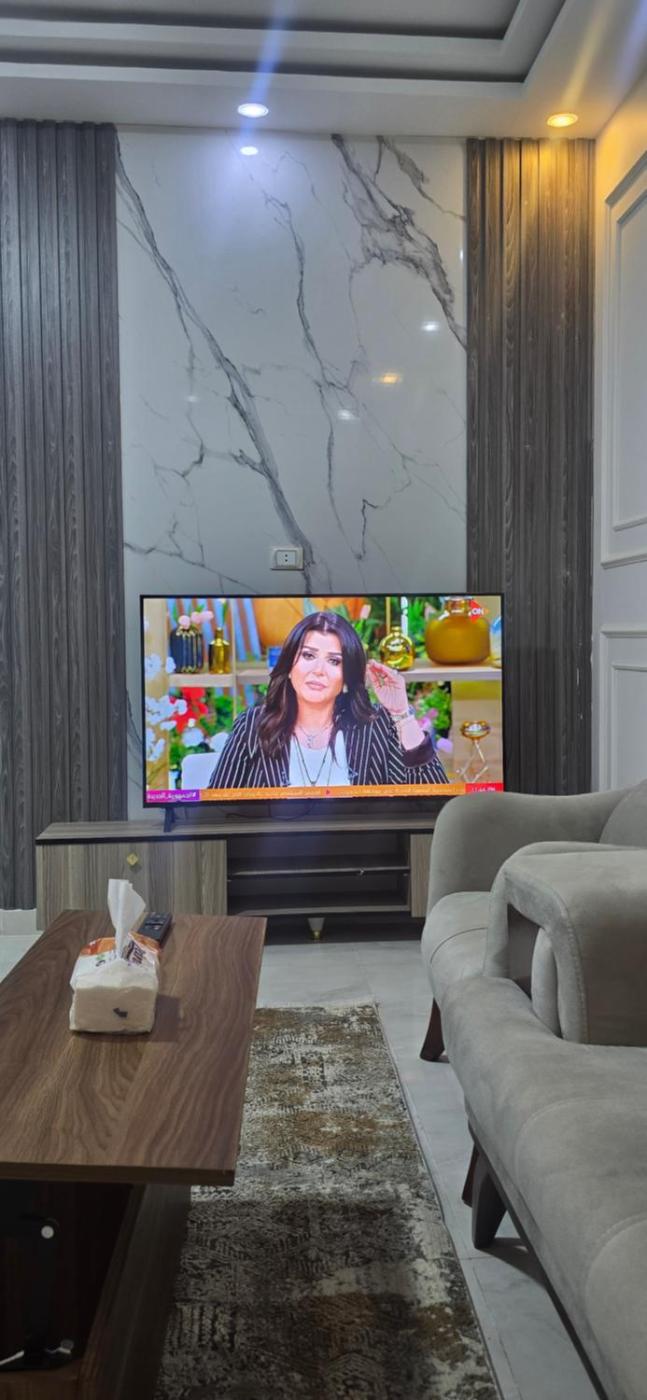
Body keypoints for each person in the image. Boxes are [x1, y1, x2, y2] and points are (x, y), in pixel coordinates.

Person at [208, 611, 449, 790]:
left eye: (334, 661)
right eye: (308, 655)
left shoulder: (376, 726)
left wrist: (401, 714)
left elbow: (431, 799)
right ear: (289, 666)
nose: (318, 670)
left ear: (347, 676)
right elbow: (216, 810)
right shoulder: (252, 726)